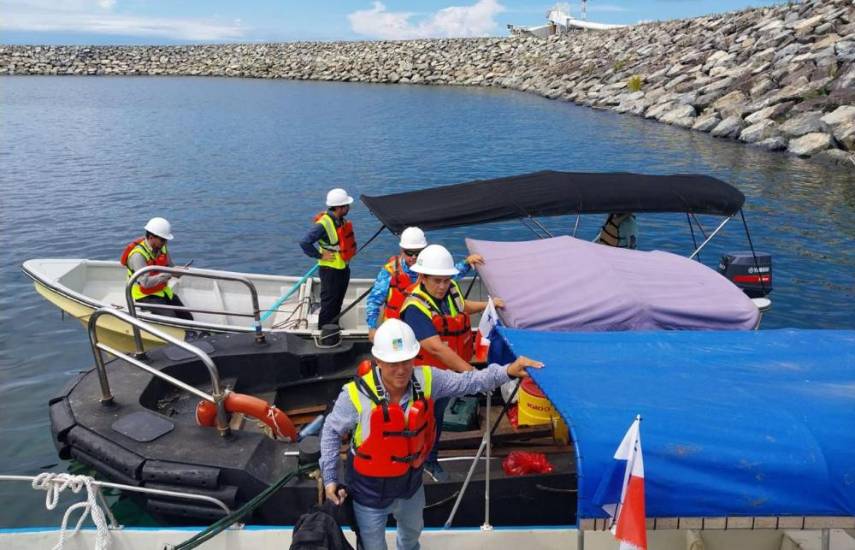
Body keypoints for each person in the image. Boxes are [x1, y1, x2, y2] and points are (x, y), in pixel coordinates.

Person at [320, 318, 542, 550]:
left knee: (412, 535)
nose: (401, 370)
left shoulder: (427, 379)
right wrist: (330, 478)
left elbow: (469, 382)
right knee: (372, 546)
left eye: (407, 361)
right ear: (378, 361)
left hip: (410, 488)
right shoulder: (354, 395)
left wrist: (508, 371)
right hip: (368, 495)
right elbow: (331, 433)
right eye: (393, 363)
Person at [399, 244, 503, 481]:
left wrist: (489, 305)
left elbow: (462, 306)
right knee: (422, 421)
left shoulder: (450, 290)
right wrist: (474, 375)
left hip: (448, 375)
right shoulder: (415, 308)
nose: (442, 286)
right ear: (423, 277)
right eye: (437, 281)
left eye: (446, 280)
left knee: (437, 419)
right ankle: (419, 464)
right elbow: (436, 347)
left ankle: (430, 459)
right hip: (425, 379)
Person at [364, 227, 483, 342]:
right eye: (409, 253)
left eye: (418, 253)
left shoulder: (431, 268)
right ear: (402, 250)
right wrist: (372, 327)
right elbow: (374, 301)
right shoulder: (389, 271)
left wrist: (467, 263)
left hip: (424, 328)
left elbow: (446, 275)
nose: (413, 257)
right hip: (396, 330)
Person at [300, 188, 357, 329]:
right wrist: (320, 255)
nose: (349, 208)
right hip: (330, 270)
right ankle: (325, 332)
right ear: (339, 207)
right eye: (346, 205)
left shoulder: (340, 221)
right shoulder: (323, 224)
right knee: (329, 304)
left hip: (343, 267)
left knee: (337, 302)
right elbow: (304, 242)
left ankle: (333, 328)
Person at [121, 217, 193, 321]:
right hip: (145, 296)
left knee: (187, 317)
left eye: (166, 240)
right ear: (151, 237)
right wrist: (169, 274)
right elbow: (145, 283)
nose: (165, 243)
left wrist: (177, 271)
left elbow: (170, 267)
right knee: (172, 319)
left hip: (162, 291)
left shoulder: (162, 248)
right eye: (162, 240)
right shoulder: (138, 256)